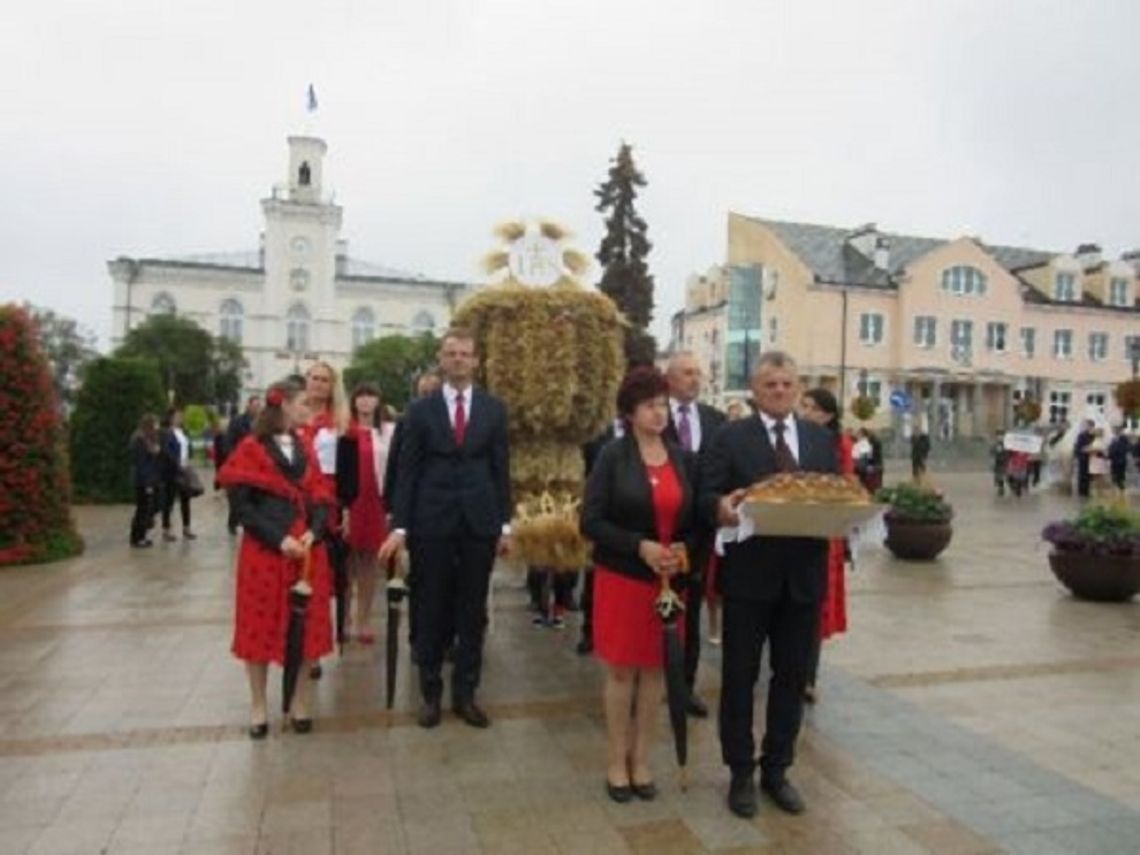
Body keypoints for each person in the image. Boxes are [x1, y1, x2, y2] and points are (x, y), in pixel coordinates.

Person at [700, 350, 838, 819]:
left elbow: (836, 494)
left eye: (786, 384)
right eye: (770, 385)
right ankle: (739, 771)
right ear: (755, 391)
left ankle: (777, 769)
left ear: (798, 388)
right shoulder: (730, 437)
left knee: (791, 678)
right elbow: (707, 493)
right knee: (739, 677)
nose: (779, 391)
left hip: (803, 578)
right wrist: (718, 507)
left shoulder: (820, 440)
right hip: (749, 578)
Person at [379, 329, 512, 730]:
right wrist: (400, 526)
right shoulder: (420, 411)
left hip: (478, 522)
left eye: (465, 354)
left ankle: (467, 694)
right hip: (431, 522)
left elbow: (500, 468)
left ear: (475, 361)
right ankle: (430, 692)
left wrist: (505, 524)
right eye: (451, 353)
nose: (458, 360)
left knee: (472, 610)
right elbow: (407, 471)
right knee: (430, 605)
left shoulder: (493, 410)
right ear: (442, 359)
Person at [581, 366, 698, 803]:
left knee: (656, 673)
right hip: (625, 578)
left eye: (663, 404)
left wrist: (684, 549)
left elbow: (695, 518)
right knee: (621, 672)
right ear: (630, 411)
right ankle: (615, 760)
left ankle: (642, 758)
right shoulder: (613, 456)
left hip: (670, 583)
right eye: (651, 405)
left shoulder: (682, 457)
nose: (660, 413)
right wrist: (640, 546)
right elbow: (590, 520)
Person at [218, 381, 336, 738]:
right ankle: (258, 706)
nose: (309, 406)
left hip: (305, 552)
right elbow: (242, 508)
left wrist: (315, 532)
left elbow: (320, 496)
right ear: (283, 405)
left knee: (305, 628)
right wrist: (278, 538)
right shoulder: (251, 448)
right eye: (302, 402)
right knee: (259, 626)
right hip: (265, 552)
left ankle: (300, 701)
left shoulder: (304, 447)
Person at [662, 352, 725, 718]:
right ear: (668, 379)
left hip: (700, 536)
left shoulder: (715, 422)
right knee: (660, 610)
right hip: (662, 531)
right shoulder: (654, 417)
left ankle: (684, 688)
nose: (694, 379)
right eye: (686, 373)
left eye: (697, 373)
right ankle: (652, 678)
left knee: (691, 613)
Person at [797, 388, 851, 704]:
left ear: (828, 415)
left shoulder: (837, 444)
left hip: (825, 531)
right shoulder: (796, 437)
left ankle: (808, 677)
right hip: (797, 524)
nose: (805, 411)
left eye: (812, 407)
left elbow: (843, 485)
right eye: (803, 405)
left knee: (817, 608)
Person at [385, 370, 442, 655]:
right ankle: (419, 638)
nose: (429, 395)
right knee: (420, 580)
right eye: (424, 391)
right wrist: (394, 513)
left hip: (449, 511)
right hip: (418, 512)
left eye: (434, 390)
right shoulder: (408, 420)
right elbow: (397, 467)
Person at [299, 362, 349, 675]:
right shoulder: (292, 416)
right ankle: (297, 644)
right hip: (296, 505)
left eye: (325, 380)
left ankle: (315, 650)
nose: (318, 384)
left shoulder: (340, 422)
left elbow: (348, 471)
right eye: (314, 378)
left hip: (328, 507)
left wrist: (345, 508)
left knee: (324, 581)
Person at [335, 383, 395, 644]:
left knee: (370, 563)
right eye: (360, 396)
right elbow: (340, 471)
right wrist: (344, 507)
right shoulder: (345, 433)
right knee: (347, 564)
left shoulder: (387, 432)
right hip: (352, 500)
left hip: (377, 501)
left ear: (378, 401)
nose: (365, 401)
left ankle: (364, 619)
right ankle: (345, 618)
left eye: (370, 396)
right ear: (354, 401)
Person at [577, 418, 624, 655]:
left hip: (632, 512)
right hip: (602, 511)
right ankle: (590, 630)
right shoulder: (597, 431)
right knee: (594, 575)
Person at [223, 396, 263, 533]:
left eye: (259, 406)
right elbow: (228, 442)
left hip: (255, 465)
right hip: (239, 463)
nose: (257, 408)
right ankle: (233, 522)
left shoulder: (261, 423)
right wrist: (232, 460)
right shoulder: (237, 421)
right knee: (237, 495)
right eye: (255, 405)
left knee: (252, 495)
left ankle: (249, 522)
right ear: (248, 406)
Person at [158, 407, 196, 541]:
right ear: (171, 418)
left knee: (186, 500)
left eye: (181, 416)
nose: (180, 418)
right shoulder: (166, 432)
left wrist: (189, 458)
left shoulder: (184, 431)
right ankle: (166, 529)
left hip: (184, 469)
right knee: (169, 501)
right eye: (178, 416)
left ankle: (187, 528)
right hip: (172, 471)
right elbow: (166, 451)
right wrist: (176, 462)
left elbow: (188, 446)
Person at [128, 413, 162, 548]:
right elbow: (141, 463)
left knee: (147, 508)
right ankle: (138, 538)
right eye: (155, 423)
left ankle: (140, 535)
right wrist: (147, 483)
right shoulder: (140, 440)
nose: (157, 426)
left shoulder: (148, 439)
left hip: (148, 478)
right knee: (143, 509)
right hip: (143, 480)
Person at [1074, 419, 1095, 498]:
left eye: (1089, 426)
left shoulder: (1093, 435)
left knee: (1089, 475)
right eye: (1087, 425)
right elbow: (1078, 447)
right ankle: (1081, 492)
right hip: (1083, 458)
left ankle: (1087, 491)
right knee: (1082, 475)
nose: (1088, 427)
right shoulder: (1081, 435)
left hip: (1091, 458)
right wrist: (1083, 450)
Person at [1108, 426, 1130, 493]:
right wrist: (1110, 454)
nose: (1115, 432)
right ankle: (1116, 488)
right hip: (1114, 459)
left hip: (1120, 459)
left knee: (1120, 475)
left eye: (1116, 430)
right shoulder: (1113, 438)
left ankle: (1121, 489)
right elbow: (1111, 447)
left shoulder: (1124, 438)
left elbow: (1125, 448)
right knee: (1114, 474)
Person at [991, 431, 1010, 497]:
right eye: (998, 436)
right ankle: (1001, 488)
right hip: (998, 462)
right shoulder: (995, 445)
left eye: (1001, 436)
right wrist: (992, 461)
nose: (1000, 437)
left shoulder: (1007, 444)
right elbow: (992, 453)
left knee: (1006, 476)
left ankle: (1010, 486)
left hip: (1005, 462)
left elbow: (1009, 453)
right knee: (998, 476)